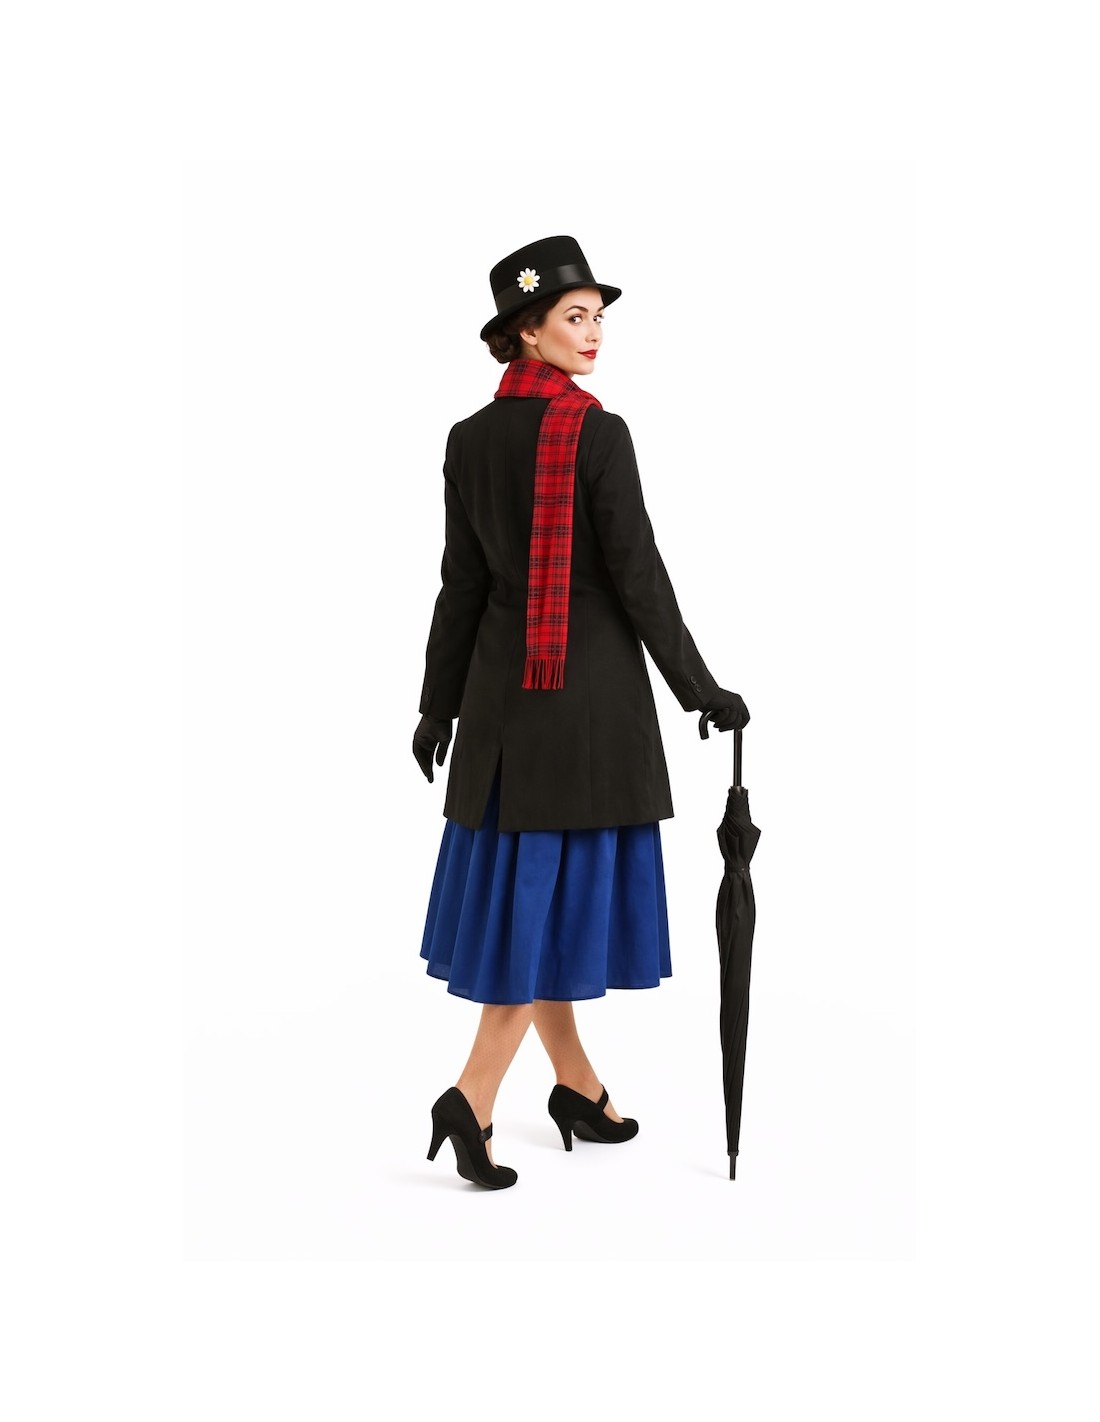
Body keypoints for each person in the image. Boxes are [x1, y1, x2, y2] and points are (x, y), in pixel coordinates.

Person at [414, 235, 749, 1190]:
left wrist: (437, 708)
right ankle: (472, 1097)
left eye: (598, 316)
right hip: (585, 713)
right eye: (574, 316)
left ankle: (577, 1087)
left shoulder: (469, 438)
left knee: (541, 907)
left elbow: (461, 587)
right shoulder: (598, 433)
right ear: (528, 331)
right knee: (539, 917)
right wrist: (702, 689)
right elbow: (638, 577)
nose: (594, 332)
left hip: (501, 714)